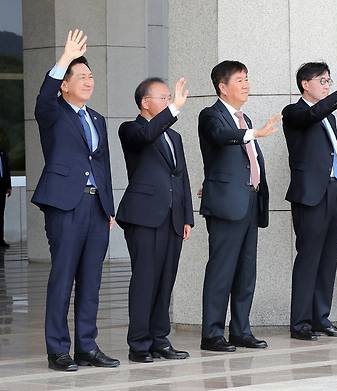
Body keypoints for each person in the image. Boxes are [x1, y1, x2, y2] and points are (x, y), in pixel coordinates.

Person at [33, 29, 119, 371]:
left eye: (91, 76)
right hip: (65, 205)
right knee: (63, 277)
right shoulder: (53, 113)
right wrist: (64, 58)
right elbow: (42, 97)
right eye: (80, 76)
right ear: (64, 85)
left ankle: (87, 346)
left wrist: (109, 207)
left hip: (96, 207)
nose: (88, 81)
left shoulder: (97, 118)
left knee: (91, 279)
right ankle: (58, 350)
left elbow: (105, 166)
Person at [198, 60, 279, 352]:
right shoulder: (212, 115)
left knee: (246, 270)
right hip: (226, 205)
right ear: (223, 86)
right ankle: (212, 334)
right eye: (240, 80)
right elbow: (220, 138)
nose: (246, 84)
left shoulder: (244, 118)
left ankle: (241, 330)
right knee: (222, 269)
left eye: (247, 78)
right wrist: (255, 133)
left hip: (249, 201)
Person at [116, 77, 194, 362]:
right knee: (145, 279)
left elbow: (181, 176)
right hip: (144, 216)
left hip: (173, 217)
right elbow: (147, 135)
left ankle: (160, 339)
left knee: (165, 281)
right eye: (163, 97)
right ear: (145, 103)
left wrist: (187, 216)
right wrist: (174, 109)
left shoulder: (174, 137)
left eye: (168, 97)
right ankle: (139, 344)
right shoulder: (131, 129)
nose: (168, 101)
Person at [283, 61, 337, 341]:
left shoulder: (327, 116)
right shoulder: (293, 112)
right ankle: (301, 323)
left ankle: (321, 318)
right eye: (323, 80)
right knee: (309, 258)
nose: (327, 85)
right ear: (305, 84)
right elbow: (311, 115)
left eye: (330, 81)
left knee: (328, 259)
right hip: (311, 195)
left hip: (335, 191)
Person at [0, 146, 11, 248]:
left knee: (1, 215)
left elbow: (7, 170)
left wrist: (9, 186)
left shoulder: (3, 152)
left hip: (2, 188)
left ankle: (1, 240)